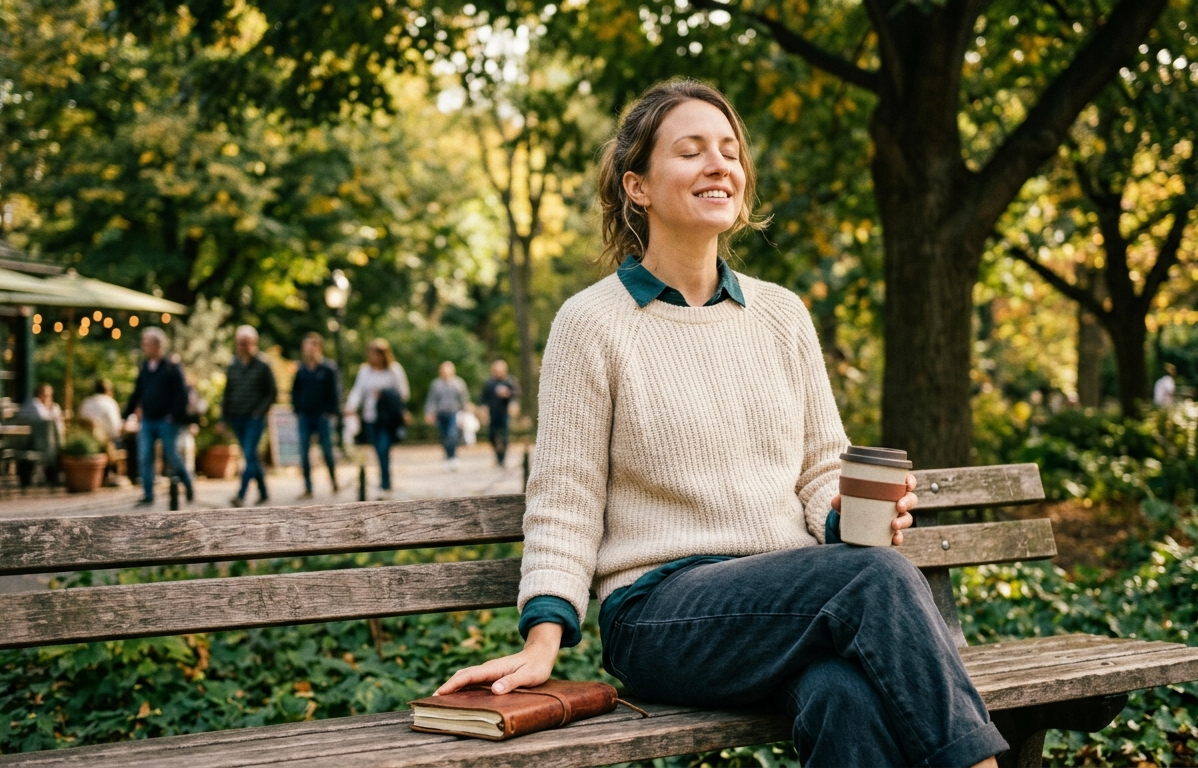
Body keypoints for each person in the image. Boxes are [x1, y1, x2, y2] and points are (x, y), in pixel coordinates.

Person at [434, 80, 1006, 768]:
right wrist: (542, 641)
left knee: (843, 695)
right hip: (659, 614)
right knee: (876, 577)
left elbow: (820, 468)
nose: (719, 165)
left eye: (730, 152)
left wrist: (848, 513)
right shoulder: (591, 324)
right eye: (692, 151)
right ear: (638, 187)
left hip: (788, 601)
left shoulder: (781, 314)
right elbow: (565, 498)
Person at [124, 327, 195, 506]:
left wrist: (173, 415)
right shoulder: (145, 367)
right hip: (148, 419)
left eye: (147, 343)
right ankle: (148, 494)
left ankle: (187, 482)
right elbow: (137, 392)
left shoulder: (171, 365)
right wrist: (126, 414)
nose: (144, 346)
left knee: (172, 455)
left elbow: (182, 393)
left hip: (166, 420)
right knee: (145, 456)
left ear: (157, 345)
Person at [345, 338, 409, 498]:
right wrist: (351, 407)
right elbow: (358, 391)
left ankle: (385, 484)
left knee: (383, 448)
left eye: (378, 354)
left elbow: (403, 393)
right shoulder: (365, 371)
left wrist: (384, 394)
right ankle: (385, 481)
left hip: (388, 418)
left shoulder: (394, 370)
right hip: (371, 416)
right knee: (379, 451)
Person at [222, 325, 278, 507]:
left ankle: (241, 494)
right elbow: (227, 393)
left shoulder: (263, 364)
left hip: (254, 418)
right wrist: (223, 418)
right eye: (240, 343)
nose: (242, 346)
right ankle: (264, 492)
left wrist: (260, 410)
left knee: (248, 454)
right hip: (237, 417)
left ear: (254, 342)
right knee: (252, 455)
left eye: (246, 343)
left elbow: (272, 392)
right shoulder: (233, 365)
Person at [291, 332, 340, 498]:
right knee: (304, 452)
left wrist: (330, 412)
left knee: (327, 450)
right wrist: (297, 409)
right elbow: (295, 391)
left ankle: (333, 481)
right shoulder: (301, 370)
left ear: (318, 347)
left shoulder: (328, 369)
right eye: (306, 346)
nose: (309, 349)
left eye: (312, 345)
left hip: (322, 416)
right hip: (305, 416)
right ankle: (308, 487)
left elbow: (335, 392)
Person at [424, 361, 470, 471]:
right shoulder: (436, 384)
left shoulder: (458, 383)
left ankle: (453, 457)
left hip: (454, 413)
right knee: (444, 436)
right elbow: (431, 400)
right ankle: (448, 457)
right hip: (441, 414)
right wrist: (430, 413)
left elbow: (464, 399)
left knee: (452, 435)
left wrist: (465, 412)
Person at [479, 360, 520, 467]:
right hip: (492, 413)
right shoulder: (489, 383)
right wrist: (483, 410)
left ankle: (502, 459)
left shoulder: (509, 381)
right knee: (491, 435)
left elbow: (517, 394)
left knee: (504, 436)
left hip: (504, 413)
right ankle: (497, 456)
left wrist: (508, 394)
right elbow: (483, 398)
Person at [79, 379, 123, 445]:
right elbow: (115, 428)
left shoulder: (85, 402)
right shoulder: (110, 403)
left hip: (85, 441)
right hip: (105, 443)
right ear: (108, 390)